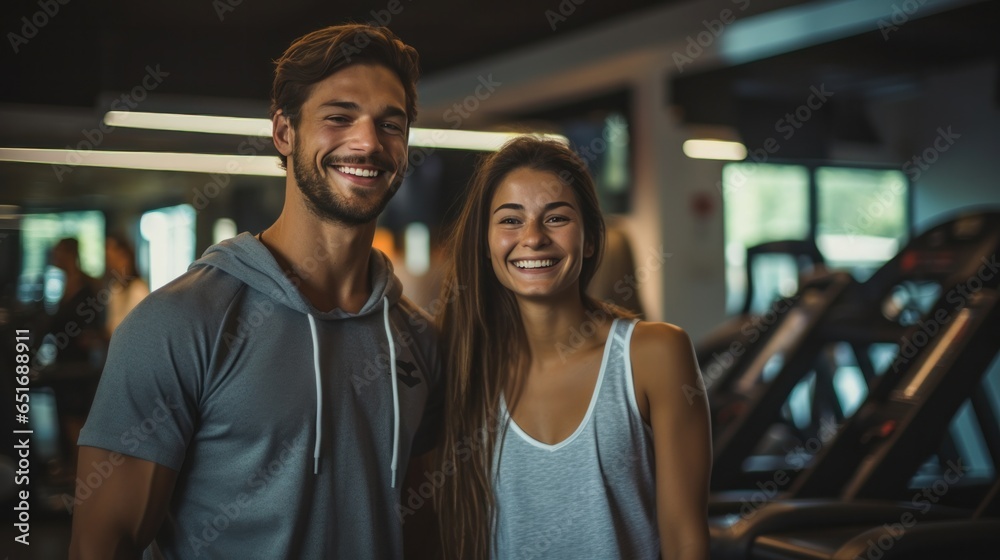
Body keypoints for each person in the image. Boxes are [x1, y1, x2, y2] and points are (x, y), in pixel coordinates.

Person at [70, 24, 443, 559]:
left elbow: (419, 526)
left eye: (391, 123)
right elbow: (102, 545)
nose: (368, 142)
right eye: (339, 117)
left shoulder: (419, 341)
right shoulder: (177, 324)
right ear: (284, 133)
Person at [435, 137, 711, 559]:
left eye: (556, 218)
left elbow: (685, 539)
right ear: (485, 244)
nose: (532, 237)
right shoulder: (464, 366)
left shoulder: (655, 354)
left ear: (591, 240)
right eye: (510, 220)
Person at [103, 233, 149, 337]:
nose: (111, 263)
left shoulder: (138, 289)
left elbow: (140, 329)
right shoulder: (115, 287)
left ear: (126, 256)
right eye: (108, 258)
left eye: (114, 257)